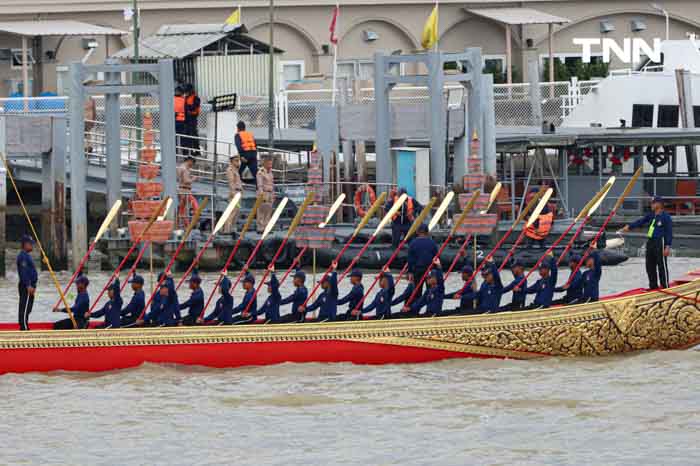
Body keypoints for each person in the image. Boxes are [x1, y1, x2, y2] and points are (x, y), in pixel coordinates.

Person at [622, 196, 673, 289]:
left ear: (659, 204)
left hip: (660, 241)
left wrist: (668, 246)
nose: (651, 205)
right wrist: (629, 226)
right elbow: (641, 221)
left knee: (661, 265)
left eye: (653, 203)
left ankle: (665, 286)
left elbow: (669, 232)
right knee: (649, 265)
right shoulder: (651, 215)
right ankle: (653, 286)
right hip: (651, 241)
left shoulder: (666, 217)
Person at [407, 224, 438, 297]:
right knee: (431, 291)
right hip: (429, 270)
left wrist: (410, 272)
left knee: (417, 292)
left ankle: (416, 306)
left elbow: (410, 260)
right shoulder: (432, 243)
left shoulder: (413, 243)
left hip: (417, 270)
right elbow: (436, 258)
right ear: (427, 232)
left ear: (417, 232)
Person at [17, 234, 37, 331]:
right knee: (24, 308)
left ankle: (25, 326)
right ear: (25, 244)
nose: (32, 246)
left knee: (28, 308)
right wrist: (28, 285)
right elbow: (24, 272)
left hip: (30, 286)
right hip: (26, 286)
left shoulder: (27, 256)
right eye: (30, 244)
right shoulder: (23, 257)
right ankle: (24, 328)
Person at [176, 155, 199, 228]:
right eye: (193, 163)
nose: (192, 165)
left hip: (183, 190)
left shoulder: (181, 167)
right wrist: (193, 179)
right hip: (185, 190)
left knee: (182, 210)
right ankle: (191, 224)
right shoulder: (185, 169)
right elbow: (186, 181)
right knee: (196, 207)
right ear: (190, 161)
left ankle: (186, 225)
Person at [224, 155, 243, 233]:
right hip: (234, 192)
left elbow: (238, 182)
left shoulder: (236, 170)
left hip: (238, 192)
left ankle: (232, 228)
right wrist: (233, 193)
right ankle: (227, 229)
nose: (238, 162)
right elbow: (231, 182)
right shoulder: (230, 170)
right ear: (231, 161)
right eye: (236, 160)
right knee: (232, 211)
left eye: (238, 160)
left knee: (236, 212)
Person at [235, 121, 258, 185]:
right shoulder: (250, 134)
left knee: (240, 170)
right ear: (245, 128)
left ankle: (237, 184)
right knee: (256, 173)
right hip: (253, 154)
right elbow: (255, 145)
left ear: (238, 128)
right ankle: (258, 188)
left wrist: (242, 156)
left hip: (245, 154)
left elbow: (239, 146)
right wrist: (255, 154)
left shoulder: (238, 135)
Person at [256, 156, 275, 233]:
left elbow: (272, 184)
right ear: (265, 163)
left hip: (270, 193)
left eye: (271, 163)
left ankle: (267, 227)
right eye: (269, 163)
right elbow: (259, 185)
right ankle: (260, 228)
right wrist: (262, 195)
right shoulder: (260, 172)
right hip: (264, 192)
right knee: (261, 211)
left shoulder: (270, 172)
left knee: (268, 211)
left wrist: (273, 194)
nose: (271, 165)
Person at [183, 83, 201, 156]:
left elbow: (194, 107)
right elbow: (185, 107)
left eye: (187, 91)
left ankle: (197, 151)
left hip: (193, 119)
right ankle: (190, 151)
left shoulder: (196, 98)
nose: (186, 92)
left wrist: (188, 108)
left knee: (193, 135)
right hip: (187, 119)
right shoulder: (186, 98)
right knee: (188, 135)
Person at [174, 86, 186, 151]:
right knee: (183, 139)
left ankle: (174, 155)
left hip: (174, 121)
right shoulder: (184, 100)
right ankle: (184, 155)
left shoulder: (171, 99)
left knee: (173, 139)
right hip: (182, 121)